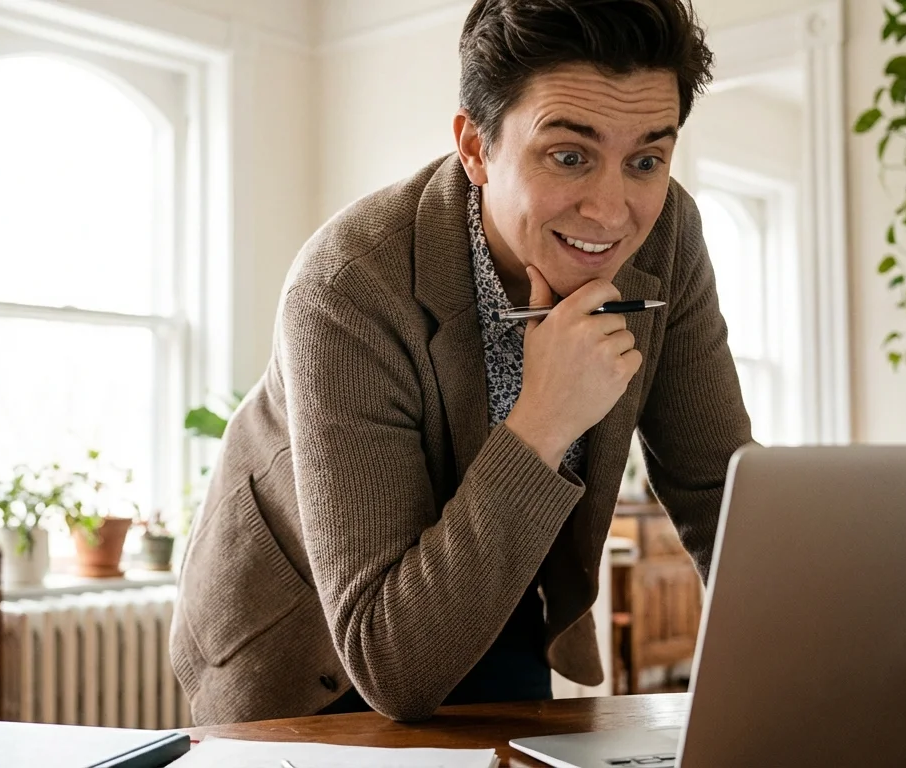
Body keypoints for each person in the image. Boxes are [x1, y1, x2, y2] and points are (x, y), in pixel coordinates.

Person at [172, 0, 753, 726]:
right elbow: (392, 662)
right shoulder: (348, 283)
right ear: (476, 148)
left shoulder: (667, 233)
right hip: (310, 641)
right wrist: (545, 418)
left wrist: (827, 672)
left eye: (646, 160)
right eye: (568, 155)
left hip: (497, 586)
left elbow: (717, 487)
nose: (612, 210)